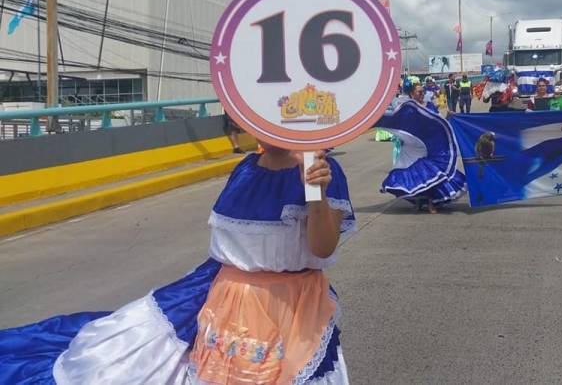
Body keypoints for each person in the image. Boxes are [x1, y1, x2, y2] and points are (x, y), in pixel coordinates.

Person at [0, 146, 356, 383]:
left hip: (292, 312)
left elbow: (322, 248)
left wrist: (318, 193)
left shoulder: (320, 167)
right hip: (226, 302)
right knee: (116, 361)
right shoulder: (246, 168)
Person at [375, 91, 466, 214]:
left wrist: (448, 117)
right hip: (410, 148)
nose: (421, 93)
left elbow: (439, 122)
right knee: (413, 176)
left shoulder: (429, 106)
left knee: (428, 174)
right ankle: (417, 203)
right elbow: (397, 121)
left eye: (422, 91)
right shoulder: (407, 108)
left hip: (428, 147)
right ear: (412, 93)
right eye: (419, 91)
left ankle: (430, 203)